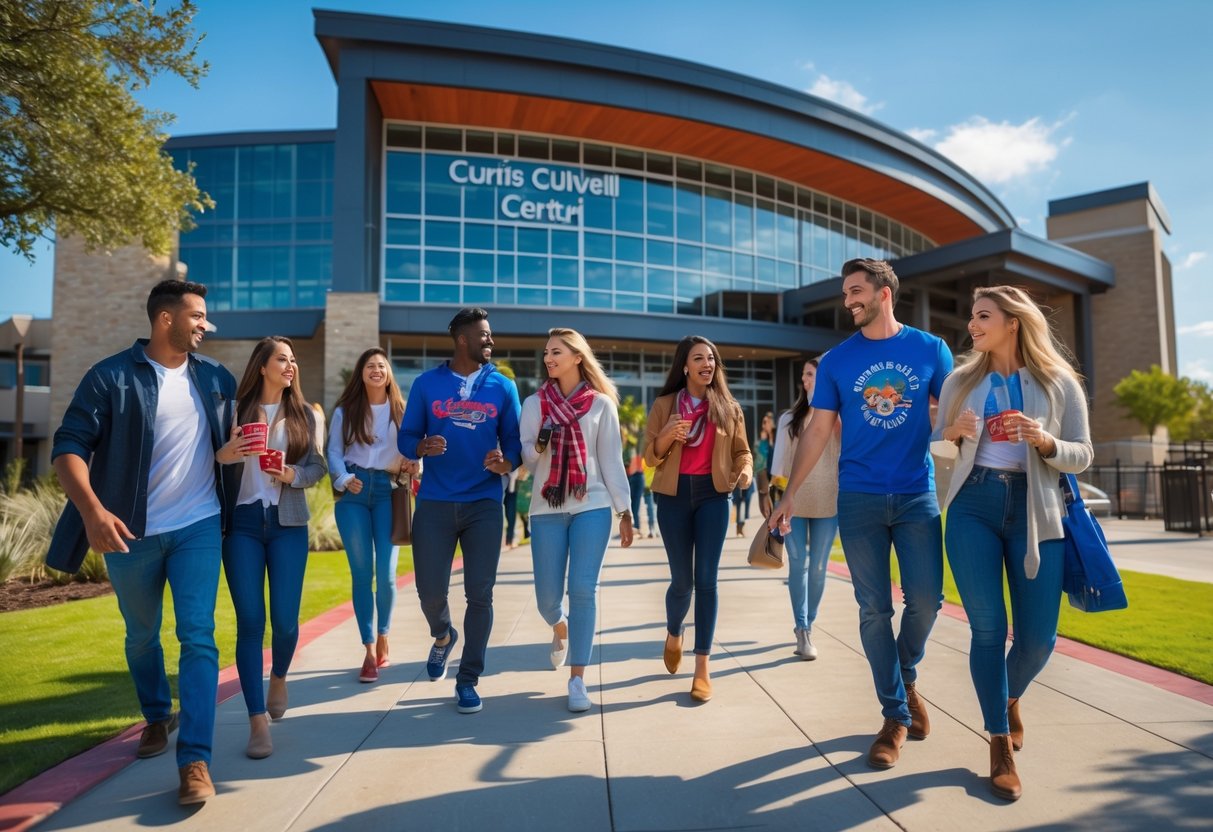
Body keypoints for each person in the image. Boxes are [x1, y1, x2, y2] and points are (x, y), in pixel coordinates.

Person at [48, 279, 235, 805]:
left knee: (198, 636)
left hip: (199, 525)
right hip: (132, 531)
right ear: (165, 319)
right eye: (197, 316)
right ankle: (157, 715)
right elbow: (69, 446)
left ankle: (195, 759)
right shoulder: (110, 376)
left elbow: (239, 435)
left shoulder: (217, 376)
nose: (205, 325)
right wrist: (93, 511)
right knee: (142, 636)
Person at [770, 258, 952, 769]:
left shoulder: (929, 349)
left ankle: (904, 673)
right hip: (860, 498)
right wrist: (789, 495)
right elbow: (818, 430)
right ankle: (895, 714)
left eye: (856, 291)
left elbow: (953, 413)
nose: (848, 300)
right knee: (874, 609)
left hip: (917, 493)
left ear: (884, 293)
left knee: (926, 600)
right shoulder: (836, 361)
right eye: (845, 292)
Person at [932, 286, 1092, 800]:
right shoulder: (960, 380)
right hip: (972, 506)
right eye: (972, 316)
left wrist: (1042, 440)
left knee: (1038, 640)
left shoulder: (1058, 383)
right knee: (987, 628)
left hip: (1036, 510)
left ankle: (1007, 696)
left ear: (1013, 322)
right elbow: (936, 452)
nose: (973, 325)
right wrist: (953, 433)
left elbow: (1083, 454)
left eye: (983, 316)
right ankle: (998, 744)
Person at [398, 308, 522, 714]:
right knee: (429, 591)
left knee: (480, 595)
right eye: (484, 335)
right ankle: (442, 635)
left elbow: (515, 444)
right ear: (463, 339)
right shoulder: (426, 384)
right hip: (434, 500)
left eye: (491, 335)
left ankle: (468, 679)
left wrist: (505, 462)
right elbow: (407, 437)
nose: (491, 341)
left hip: (484, 503)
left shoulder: (503, 387)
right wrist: (420, 447)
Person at [217, 336, 327, 760]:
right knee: (250, 621)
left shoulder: (304, 413)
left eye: (294, 359)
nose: (291, 365)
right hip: (241, 524)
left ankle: (279, 674)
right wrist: (225, 452)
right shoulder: (232, 410)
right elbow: (211, 459)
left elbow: (317, 465)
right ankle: (256, 720)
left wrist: (292, 474)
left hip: (287, 524)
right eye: (283, 359)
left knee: (284, 621)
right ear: (262, 366)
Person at [521, 328, 634, 712]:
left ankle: (577, 680)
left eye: (556, 352)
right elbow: (529, 461)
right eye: (547, 352)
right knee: (547, 598)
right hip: (546, 507)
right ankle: (559, 625)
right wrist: (541, 442)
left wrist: (625, 510)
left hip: (592, 504)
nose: (549, 358)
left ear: (577, 357)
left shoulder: (602, 404)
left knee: (584, 590)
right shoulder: (535, 405)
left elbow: (610, 460)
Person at [645, 335, 752, 703]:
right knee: (682, 582)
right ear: (685, 366)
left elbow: (743, 452)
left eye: (711, 358)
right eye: (699, 358)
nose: (707, 363)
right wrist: (665, 436)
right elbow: (650, 457)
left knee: (707, 581)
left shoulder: (729, 407)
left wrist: (747, 472)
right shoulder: (664, 405)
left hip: (713, 496)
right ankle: (674, 631)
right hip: (672, 497)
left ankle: (702, 668)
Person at [328, 347, 418, 684]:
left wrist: (415, 464)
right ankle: (368, 649)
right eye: (370, 365)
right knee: (362, 573)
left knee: (388, 572)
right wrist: (341, 478)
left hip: (387, 492)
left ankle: (384, 634)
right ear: (361, 373)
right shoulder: (345, 411)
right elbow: (334, 452)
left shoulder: (403, 411)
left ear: (389, 373)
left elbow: (412, 453)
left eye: (382, 365)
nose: (376, 370)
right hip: (353, 490)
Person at [768, 357, 839, 661]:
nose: (806, 379)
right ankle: (801, 629)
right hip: (793, 501)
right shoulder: (788, 419)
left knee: (820, 566)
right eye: (805, 375)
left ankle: (809, 622)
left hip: (829, 501)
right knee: (798, 564)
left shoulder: (840, 417)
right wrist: (772, 500)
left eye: (812, 374)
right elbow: (778, 466)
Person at [734, 411, 774, 536]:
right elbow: (757, 455)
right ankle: (767, 527)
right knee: (763, 506)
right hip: (762, 474)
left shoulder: (776, 437)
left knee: (772, 504)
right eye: (763, 422)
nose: (764, 425)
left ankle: (772, 530)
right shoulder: (761, 440)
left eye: (766, 422)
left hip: (774, 475)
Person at [503, 467, 521, 549]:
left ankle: (510, 539)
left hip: (511, 489)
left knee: (511, 514)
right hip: (503, 487)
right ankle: (509, 539)